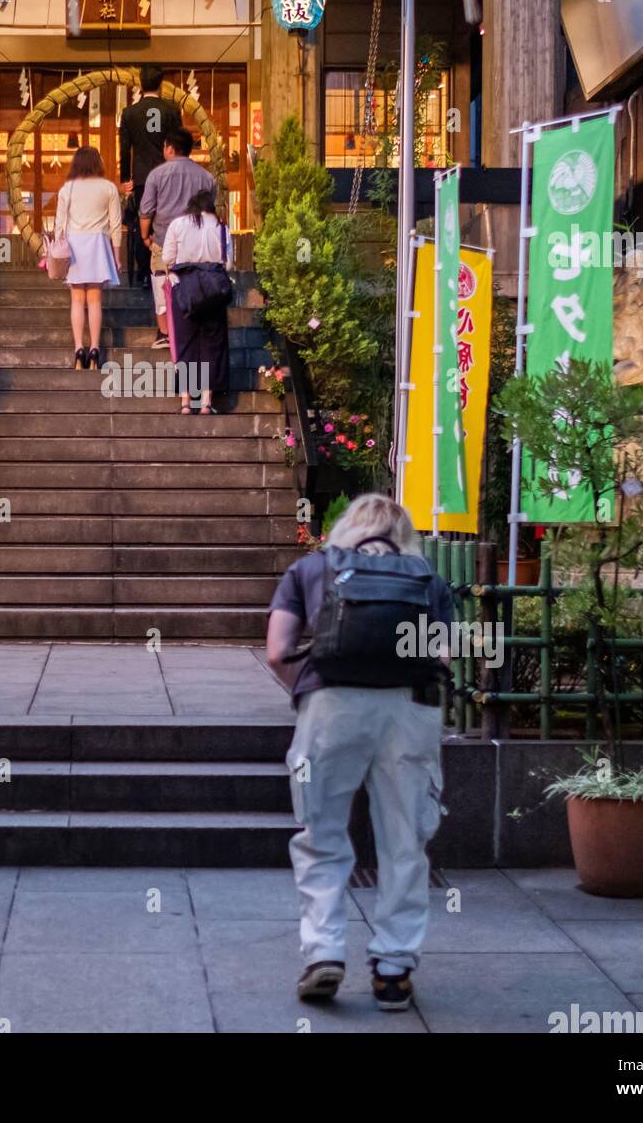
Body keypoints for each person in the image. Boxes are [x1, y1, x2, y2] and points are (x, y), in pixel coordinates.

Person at [265, 494, 453, 1010]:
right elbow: (442, 656)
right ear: (404, 535)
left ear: (345, 529)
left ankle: (323, 953)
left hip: (330, 707)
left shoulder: (309, 569)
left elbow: (278, 652)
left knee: (320, 833)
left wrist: (309, 694)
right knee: (404, 840)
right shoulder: (426, 580)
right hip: (407, 711)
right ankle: (393, 970)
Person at [139, 126, 215, 350]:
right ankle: (192, 328)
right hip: (196, 243)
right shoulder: (206, 177)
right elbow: (212, 210)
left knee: (161, 284)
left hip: (162, 239)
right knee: (191, 285)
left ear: (169, 148)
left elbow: (146, 211)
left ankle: (164, 333)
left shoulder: (157, 175)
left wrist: (145, 237)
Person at [162, 188, 233, 414]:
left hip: (185, 289)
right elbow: (228, 264)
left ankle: (185, 401)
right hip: (214, 291)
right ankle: (206, 402)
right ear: (211, 206)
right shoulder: (221, 228)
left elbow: (167, 258)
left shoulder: (178, 224)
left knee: (185, 344)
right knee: (212, 345)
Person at [53, 145, 122, 369]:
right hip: (98, 246)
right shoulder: (109, 188)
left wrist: (56, 251)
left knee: (76, 300)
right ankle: (94, 349)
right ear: (97, 163)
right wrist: (117, 256)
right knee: (94, 300)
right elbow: (116, 225)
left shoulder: (67, 189)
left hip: (74, 246)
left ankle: (78, 350)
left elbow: (59, 226)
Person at [119, 65, 180, 289]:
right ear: (161, 84)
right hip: (169, 176)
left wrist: (126, 178)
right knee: (167, 221)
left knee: (141, 223)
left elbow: (125, 149)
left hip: (142, 177)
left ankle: (145, 272)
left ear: (140, 86)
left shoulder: (129, 113)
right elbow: (179, 143)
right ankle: (168, 266)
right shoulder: (172, 110)